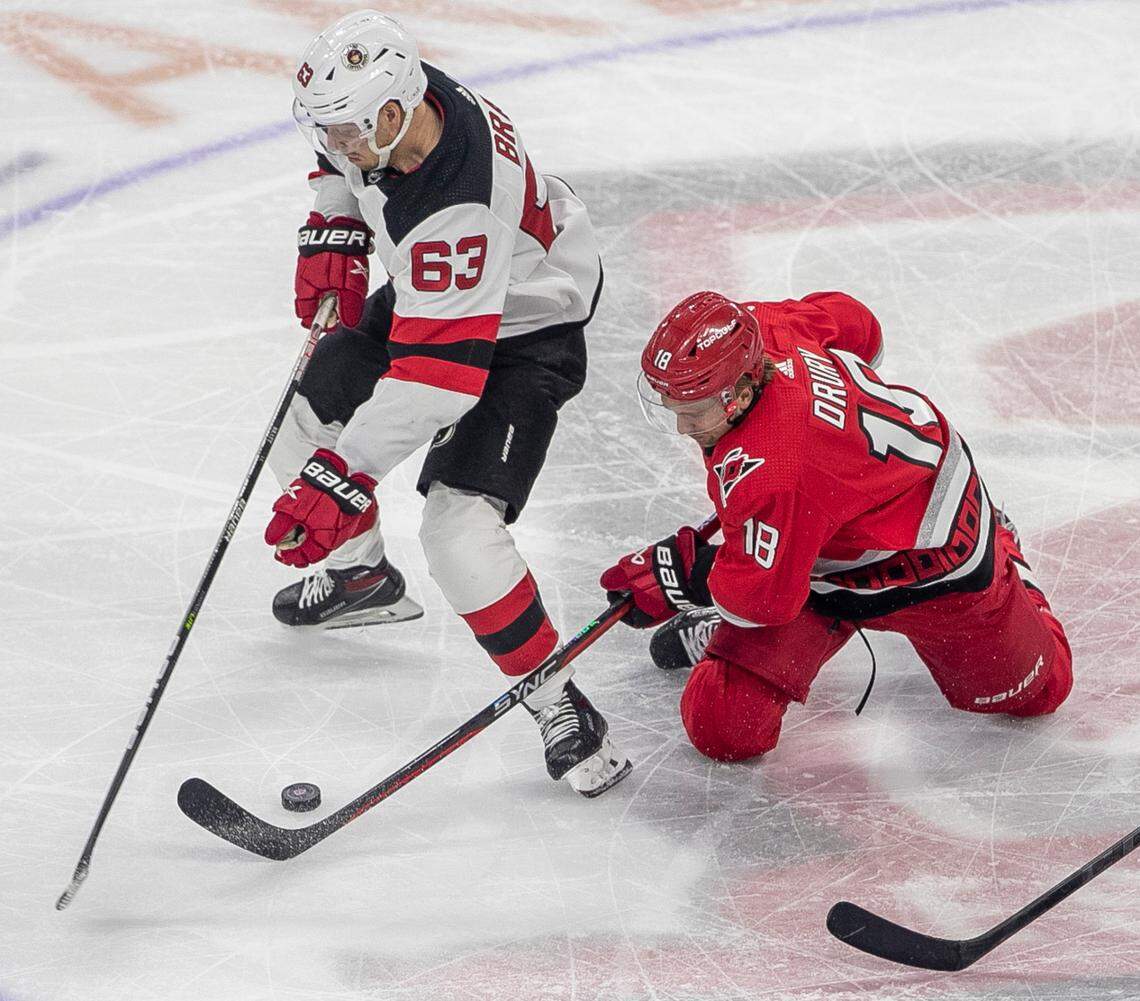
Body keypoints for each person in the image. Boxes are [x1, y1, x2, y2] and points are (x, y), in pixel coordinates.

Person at [266, 10, 630, 797]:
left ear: (394, 114)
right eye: (329, 130)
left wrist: (346, 475)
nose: (339, 147)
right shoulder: (400, 108)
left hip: (525, 328)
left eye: (350, 132)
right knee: (304, 420)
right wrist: (333, 225)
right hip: (445, 298)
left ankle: (560, 702)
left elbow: (438, 379)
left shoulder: (454, 206)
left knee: (458, 529)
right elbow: (346, 157)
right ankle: (363, 582)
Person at [600, 290, 1073, 762]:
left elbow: (758, 603)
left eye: (691, 411)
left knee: (1039, 692)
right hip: (819, 554)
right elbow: (861, 326)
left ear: (738, 395)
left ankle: (1001, 541)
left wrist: (680, 577)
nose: (683, 428)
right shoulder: (763, 327)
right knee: (723, 726)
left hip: (931, 564)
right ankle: (783, 566)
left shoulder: (777, 472)